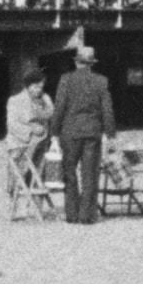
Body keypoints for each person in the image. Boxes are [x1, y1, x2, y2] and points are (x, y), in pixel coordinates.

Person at [48, 41, 116, 225]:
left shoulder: (66, 79)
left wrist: (54, 131)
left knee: (69, 172)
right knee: (90, 174)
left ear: (77, 62)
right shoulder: (101, 81)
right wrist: (110, 134)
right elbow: (107, 110)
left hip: (69, 132)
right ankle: (87, 215)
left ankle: (72, 214)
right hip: (92, 132)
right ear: (92, 63)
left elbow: (59, 107)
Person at [4, 71, 54, 215]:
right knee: (18, 173)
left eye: (41, 87)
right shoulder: (15, 100)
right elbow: (12, 124)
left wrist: (46, 104)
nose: (38, 90)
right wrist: (30, 130)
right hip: (21, 143)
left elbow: (51, 114)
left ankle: (38, 207)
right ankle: (15, 206)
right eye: (35, 86)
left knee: (40, 172)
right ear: (28, 86)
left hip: (41, 141)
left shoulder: (44, 100)